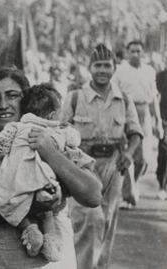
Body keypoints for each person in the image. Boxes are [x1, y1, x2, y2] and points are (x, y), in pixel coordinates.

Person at [0, 67, 102, 269]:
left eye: (12, 96)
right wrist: (30, 205)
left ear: (27, 101)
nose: (3, 105)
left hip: (47, 262)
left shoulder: (55, 138)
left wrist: (50, 153)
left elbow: (93, 195)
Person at [61, 44, 143, 269]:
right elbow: (58, 130)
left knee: (106, 221)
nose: (102, 71)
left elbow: (135, 133)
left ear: (114, 68)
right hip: (82, 167)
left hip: (114, 167)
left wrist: (128, 153)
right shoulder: (75, 98)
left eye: (107, 66)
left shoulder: (123, 99)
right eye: (98, 65)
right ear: (89, 68)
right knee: (88, 220)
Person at [0, 84, 95, 261]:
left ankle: (30, 231)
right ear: (53, 115)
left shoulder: (17, 127)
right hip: (44, 181)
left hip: (17, 180)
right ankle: (50, 242)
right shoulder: (57, 132)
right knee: (47, 209)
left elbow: (0, 145)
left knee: (15, 205)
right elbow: (74, 138)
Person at [112, 40, 163, 206]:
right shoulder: (120, 71)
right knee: (127, 152)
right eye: (132, 51)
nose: (135, 54)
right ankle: (128, 194)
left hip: (143, 111)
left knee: (144, 158)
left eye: (138, 51)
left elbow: (154, 97)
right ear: (127, 53)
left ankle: (133, 184)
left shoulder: (149, 71)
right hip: (125, 111)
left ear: (143, 52)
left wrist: (158, 121)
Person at [156, 55, 167, 200]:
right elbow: (157, 98)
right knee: (164, 153)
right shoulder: (161, 77)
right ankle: (162, 186)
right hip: (165, 119)